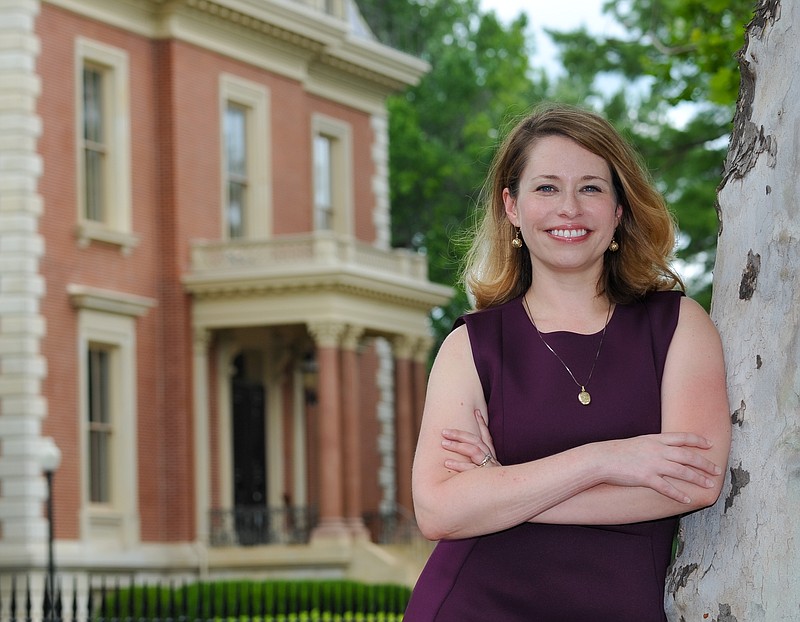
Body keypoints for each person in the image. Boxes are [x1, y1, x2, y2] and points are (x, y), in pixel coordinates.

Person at [403, 103, 731, 621]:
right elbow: (439, 510)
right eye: (547, 187)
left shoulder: (677, 326)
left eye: (592, 188)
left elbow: (696, 482)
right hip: (473, 605)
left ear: (620, 208)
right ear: (511, 206)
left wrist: (500, 490)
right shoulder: (471, 346)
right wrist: (603, 460)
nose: (569, 209)